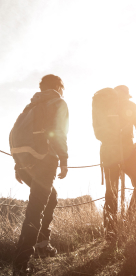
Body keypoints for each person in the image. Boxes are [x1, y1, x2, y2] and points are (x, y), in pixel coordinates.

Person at [10, 75, 69, 275]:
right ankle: (21, 262)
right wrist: (64, 159)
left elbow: (16, 135)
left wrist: (18, 166)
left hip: (25, 162)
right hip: (45, 160)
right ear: (59, 87)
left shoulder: (31, 105)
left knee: (50, 197)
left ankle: (43, 244)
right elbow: (59, 132)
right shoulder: (58, 102)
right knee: (35, 209)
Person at [96, 85, 136, 239]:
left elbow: (99, 131)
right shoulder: (131, 106)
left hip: (108, 152)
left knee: (111, 191)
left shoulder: (106, 107)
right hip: (128, 151)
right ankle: (131, 219)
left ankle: (110, 230)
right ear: (126, 95)